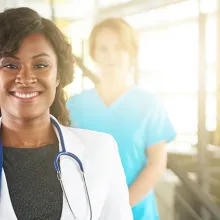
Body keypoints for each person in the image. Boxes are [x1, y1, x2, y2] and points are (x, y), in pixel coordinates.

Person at [0, 8, 133, 220]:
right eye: (10, 65)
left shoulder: (100, 150)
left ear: (58, 76)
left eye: (40, 65)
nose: (25, 78)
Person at [67, 18, 176, 220]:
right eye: (104, 48)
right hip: (88, 212)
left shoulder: (149, 104)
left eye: (119, 48)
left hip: (137, 212)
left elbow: (157, 164)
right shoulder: (74, 106)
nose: (112, 56)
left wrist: (120, 208)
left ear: (132, 53)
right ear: (93, 53)